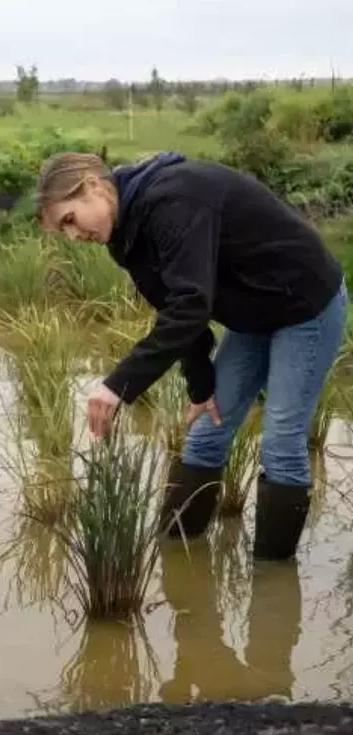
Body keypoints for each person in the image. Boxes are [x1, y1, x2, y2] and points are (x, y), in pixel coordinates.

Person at [36, 150, 347, 561]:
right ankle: (177, 559)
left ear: (94, 186)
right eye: (64, 232)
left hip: (306, 306)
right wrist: (201, 387)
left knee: (281, 442)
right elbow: (178, 311)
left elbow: (190, 305)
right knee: (206, 434)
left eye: (70, 220)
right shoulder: (125, 238)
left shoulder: (176, 199)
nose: (74, 236)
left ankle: (272, 585)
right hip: (252, 315)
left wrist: (117, 387)